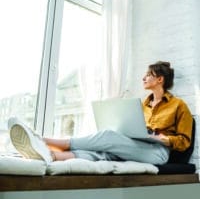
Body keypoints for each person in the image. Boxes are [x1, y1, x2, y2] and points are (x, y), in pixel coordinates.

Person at [8, 61, 193, 165]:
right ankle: (51, 155)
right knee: (104, 154)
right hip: (136, 146)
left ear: (160, 79)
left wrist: (163, 138)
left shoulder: (178, 105)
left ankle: (42, 140)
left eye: (148, 75)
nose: (143, 78)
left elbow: (184, 142)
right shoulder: (141, 105)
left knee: (108, 137)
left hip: (158, 153)